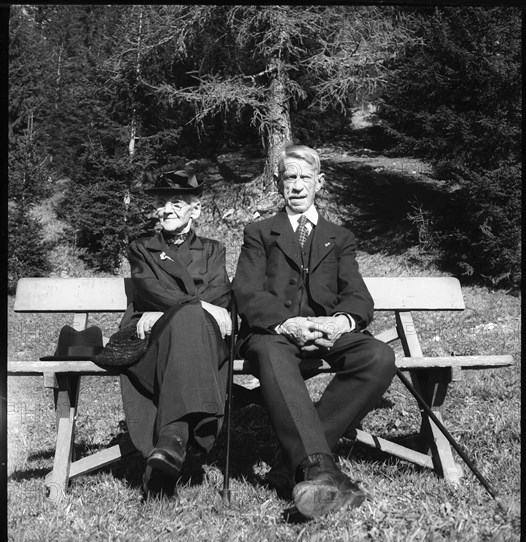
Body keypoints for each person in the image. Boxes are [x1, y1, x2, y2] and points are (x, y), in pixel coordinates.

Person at [233, 144, 397, 519]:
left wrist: (340, 322)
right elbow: (247, 291)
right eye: (289, 176)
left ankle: (285, 465)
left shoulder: (339, 237)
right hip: (274, 332)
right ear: (278, 183)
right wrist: (287, 323)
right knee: (272, 354)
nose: (297, 184)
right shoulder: (259, 232)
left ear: (319, 183)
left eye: (305, 177)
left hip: (327, 333)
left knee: (377, 356)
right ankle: (318, 470)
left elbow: (356, 294)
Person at [118, 166, 232, 499]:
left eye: (177, 202)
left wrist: (191, 309)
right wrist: (201, 307)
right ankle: (175, 441)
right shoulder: (142, 248)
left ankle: (169, 444)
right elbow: (150, 289)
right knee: (188, 319)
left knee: (189, 321)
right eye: (162, 202)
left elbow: (220, 293)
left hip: (203, 339)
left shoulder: (213, 249)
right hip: (153, 341)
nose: (166, 209)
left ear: (196, 209)